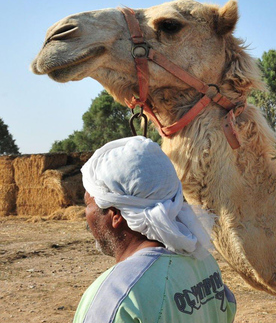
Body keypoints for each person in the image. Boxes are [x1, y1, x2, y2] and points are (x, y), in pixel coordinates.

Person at [74, 136, 237, 323]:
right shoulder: (203, 260)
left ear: (115, 214)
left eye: (88, 204)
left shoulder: (115, 298)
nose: (85, 213)